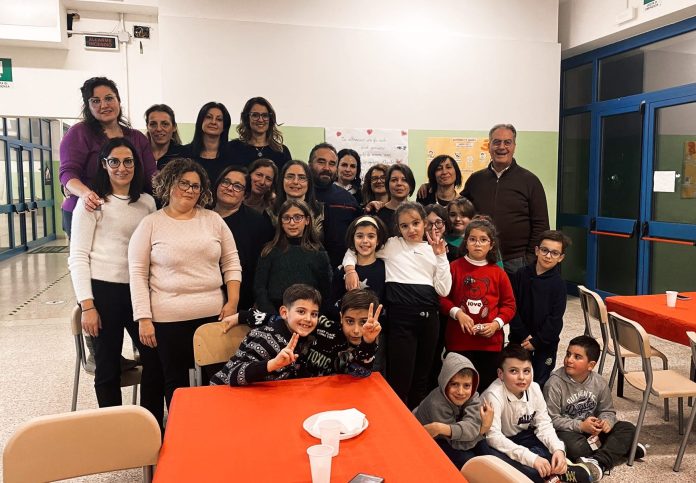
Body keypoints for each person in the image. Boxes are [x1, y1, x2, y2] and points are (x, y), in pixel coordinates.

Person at [128, 158, 242, 406]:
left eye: (195, 186)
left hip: (214, 316)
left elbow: (231, 262)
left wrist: (232, 302)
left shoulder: (213, 220)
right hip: (167, 319)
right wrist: (143, 318)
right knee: (176, 382)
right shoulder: (151, 224)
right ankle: (182, 428)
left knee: (215, 381)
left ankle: (210, 428)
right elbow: (137, 274)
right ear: (170, 184)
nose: (190, 190)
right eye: (184, 183)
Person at [67, 137, 163, 428]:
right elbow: (78, 256)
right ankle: (114, 430)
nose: (122, 168)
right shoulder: (91, 203)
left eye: (128, 161)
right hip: (102, 292)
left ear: (137, 164)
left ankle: (150, 425)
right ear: (104, 165)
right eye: (115, 162)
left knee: (155, 360)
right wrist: (88, 306)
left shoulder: (147, 202)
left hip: (138, 291)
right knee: (108, 367)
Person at [344, 202, 452, 408]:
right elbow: (354, 249)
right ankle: (397, 417)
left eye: (415, 223)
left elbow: (444, 289)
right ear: (398, 228)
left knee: (422, 377)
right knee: (400, 378)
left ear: (424, 223)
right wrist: (350, 270)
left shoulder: (435, 249)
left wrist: (440, 256)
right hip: (401, 320)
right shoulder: (391, 245)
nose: (411, 229)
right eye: (404, 226)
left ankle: (416, 419)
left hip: (429, 319)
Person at [59, 76, 156, 238]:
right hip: (89, 209)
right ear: (88, 106)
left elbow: (151, 177)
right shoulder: (79, 133)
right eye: (95, 101)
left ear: (118, 100)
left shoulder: (138, 138)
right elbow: (68, 173)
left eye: (109, 98)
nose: (104, 105)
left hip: (127, 211)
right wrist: (86, 194)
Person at [482, 344, 593, 483]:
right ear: (500, 374)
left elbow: (543, 424)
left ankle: (554, 472)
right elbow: (493, 437)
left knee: (555, 449)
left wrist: (558, 450)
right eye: (513, 371)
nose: (522, 377)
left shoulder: (534, 388)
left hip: (523, 435)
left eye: (526, 371)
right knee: (504, 464)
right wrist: (532, 459)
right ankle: (551, 475)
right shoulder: (493, 395)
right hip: (497, 440)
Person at [544, 336, 646, 482]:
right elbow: (551, 420)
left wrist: (606, 422)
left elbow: (607, 411)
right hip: (569, 432)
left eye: (577, 357)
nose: (569, 360)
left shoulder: (599, 382)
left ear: (590, 365)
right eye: (568, 354)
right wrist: (580, 426)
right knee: (576, 448)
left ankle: (598, 462)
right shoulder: (554, 384)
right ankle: (620, 449)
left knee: (628, 428)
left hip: (593, 432)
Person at [220, 288, 382, 380]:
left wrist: (368, 343)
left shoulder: (369, 341)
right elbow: (283, 318)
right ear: (341, 318)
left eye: (363, 322)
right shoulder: (319, 326)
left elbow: (360, 374)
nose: (356, 330)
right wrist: (243, 316)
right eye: (350, 321)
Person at [459, 124, 549, 274]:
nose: (502, 147)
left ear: (514, 146)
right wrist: (431, 186)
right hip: (481, 258)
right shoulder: (476, 179)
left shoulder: (530, 181)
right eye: (496, 142)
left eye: (507, 142)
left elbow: (541, 224)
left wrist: (530, 258)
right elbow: (458, 209)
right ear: (489, 146)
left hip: (517, 261)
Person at [439, 218, 516, 391]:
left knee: (486, 387)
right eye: (472, 239)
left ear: (491, 244)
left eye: (483, 240)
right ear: (466, 242)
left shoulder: (499, 273)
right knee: (459, 387)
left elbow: (509, 305)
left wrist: (496, 324)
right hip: (459, 342)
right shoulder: (454, 267)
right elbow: (441, 298)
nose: (477, 244)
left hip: (490, 344)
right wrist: (457, 313)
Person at [210, 284, 321, 386]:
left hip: (264, 394)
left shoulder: (306, 340)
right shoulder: (266, 337)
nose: (308, 319)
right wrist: (273, 364)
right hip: (223, 392)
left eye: (314, 314)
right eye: (301, 312)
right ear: (284, 313)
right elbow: (233, 375)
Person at [509, 230, 571, 388]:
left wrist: (537, 341)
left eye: (554, 253)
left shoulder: (559, 284)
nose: (548, 256)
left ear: (561, 257)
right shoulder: (520, 275)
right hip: (519, 339)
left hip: (545, 343)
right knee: (514, 379)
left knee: (538, 383)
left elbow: (555, 319)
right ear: (537, 250)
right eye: (544, 250)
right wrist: (524, 335)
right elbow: (511, 307)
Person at [328, 216, 388, 373]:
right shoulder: (342, 270)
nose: (365, 241)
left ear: (378, 240)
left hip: (374, 335)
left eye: (371, 236)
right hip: (344, 334)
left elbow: (386, 302)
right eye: (360, 236)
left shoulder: (385, 268)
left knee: (372, 372)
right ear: (352, 239)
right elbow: (332, 303)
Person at [414, 352, 494, 469]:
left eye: (466, 385)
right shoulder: (436, 404)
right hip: (437, 439)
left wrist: (442, 428)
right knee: (468, 462)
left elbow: (472, 426)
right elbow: (457, 444)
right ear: (445, 383)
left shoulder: (472, 395)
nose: (461, 392)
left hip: (450, 431)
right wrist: (482, 430)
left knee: (487, 456)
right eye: (454, 384)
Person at [254, 199, 332, 314]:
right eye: (286, 218)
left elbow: (327, 291)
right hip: (273, 313)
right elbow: (259, 289)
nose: (292, 223)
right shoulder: (269, 250)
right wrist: (273, 316)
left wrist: (313, 314)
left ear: (307, 220)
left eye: (297, 217)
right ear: (281, 222)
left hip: (307, 313)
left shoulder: (318, 252)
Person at [213, 165, 274, 311]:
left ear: (245, 195)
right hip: (204, 295)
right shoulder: (201, 214)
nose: (229, 188)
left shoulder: (258, 223)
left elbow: (262, 268)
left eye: (237, 186)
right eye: (225, 182)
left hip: (241, 300)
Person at [308, 143, 361, 268]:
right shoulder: (300, 195)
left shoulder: (348, 200)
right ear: (309, 164)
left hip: (340, 269)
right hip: (304, 268)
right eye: (321, 162)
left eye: (332, 164)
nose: (327, 168)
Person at [227, 96, 292, 170]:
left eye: (265, 115)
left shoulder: (282, 151)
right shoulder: (232, 148)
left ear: (270, 119)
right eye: (255, 115)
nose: (260, 120)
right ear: (247, 118)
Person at [183, 101, 233, 189]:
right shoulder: (183, 154)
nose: (213, 122)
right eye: (209, 117)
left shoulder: (233, 156)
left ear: (224, 126)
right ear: (201, 121)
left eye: (219, 119)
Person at [274, 160, 323, 231]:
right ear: (282, 180)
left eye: (302, 178)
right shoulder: (270, 213)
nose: (295, 182)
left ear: (309, 183)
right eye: (290, 177)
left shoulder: (323, 212)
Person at [375, 163, 416, 237]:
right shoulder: (377, 213)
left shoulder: (418, 212)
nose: (399, 184)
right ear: (387, 185)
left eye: (404, 180)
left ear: (411, 185)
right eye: (394, 180)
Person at [145, 104, 184, 170]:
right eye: (153, 124)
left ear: (174, 127)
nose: (159, 129)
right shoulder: (139, 153)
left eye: (165, 124)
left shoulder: (184, 156)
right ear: (147, 127)